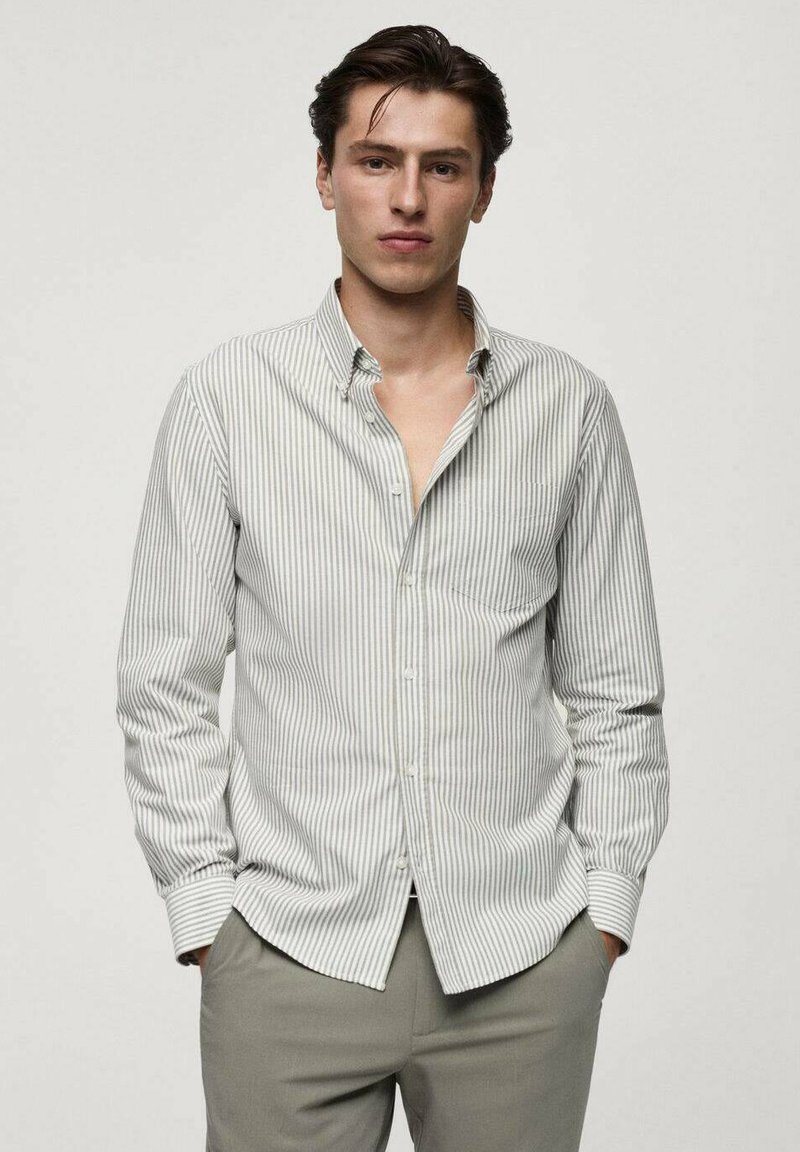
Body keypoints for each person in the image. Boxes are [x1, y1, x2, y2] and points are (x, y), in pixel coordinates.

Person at [115, 23, 669, 1152]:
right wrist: (207, 915)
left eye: (442, 165)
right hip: (289, 953)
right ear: (325, 176)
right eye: (376, 161)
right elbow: (164, 681)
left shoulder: (567, 411)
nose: (407, 197)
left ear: (483, 190)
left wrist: (602, 914)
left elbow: (617, 690)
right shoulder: (228, 400)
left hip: (520, 963)